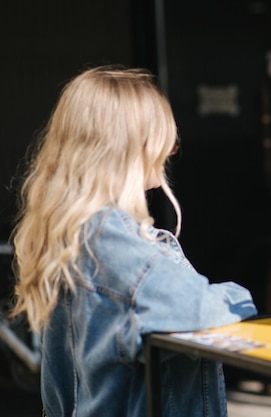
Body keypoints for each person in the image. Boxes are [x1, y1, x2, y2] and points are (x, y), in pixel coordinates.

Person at [10, 65, 258, 417]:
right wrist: (240, 298)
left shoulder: (68, 232)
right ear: (128, 148)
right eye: (164, 140)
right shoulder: (107, 235)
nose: (171, 151)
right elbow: (201, 309)